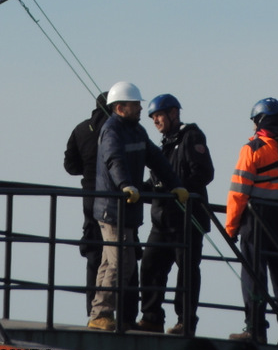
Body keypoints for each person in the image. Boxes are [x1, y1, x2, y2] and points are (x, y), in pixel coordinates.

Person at [88, 81, 189, 332]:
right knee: (122, 263)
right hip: (113, 210)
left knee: (110, 263)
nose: (140, 108)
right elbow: (114, 160)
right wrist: (125, 185)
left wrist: (175, 185)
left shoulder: (136, 131)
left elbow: (156, 159)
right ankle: (101, 314)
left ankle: (99, 314)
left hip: (126, 210)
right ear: (120, 108)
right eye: (135, 105)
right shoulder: (112, 131)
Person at [225, 97, 278, 346]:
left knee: (254, 275)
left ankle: (255, 330)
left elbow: (238, 193)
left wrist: (231, 228)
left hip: (257, 221)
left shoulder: (252, 149)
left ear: (260, 121)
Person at [137, 94, 215, 335]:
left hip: (186, 221)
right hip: (162, 221)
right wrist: (138, 189)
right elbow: (156, 182)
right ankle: (151, 318)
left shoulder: (191, 137)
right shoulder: (164, 145)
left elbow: (204, 173)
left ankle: (185, 322)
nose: (155, 121)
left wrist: (179, 189)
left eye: (158, 115)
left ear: (173, 113)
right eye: (152, 117)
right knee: (150, 266)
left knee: (187, 272)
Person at [63, 92, 108, 315]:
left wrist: (89, 171)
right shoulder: (120, 130)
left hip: (90, 197)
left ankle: (93, 311)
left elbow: (70, 166)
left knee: (93, 254)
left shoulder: (80, 129)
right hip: (118, 199)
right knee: (124, 254)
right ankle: (125, 315)